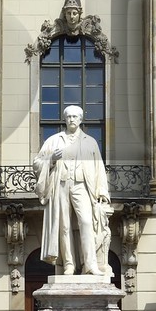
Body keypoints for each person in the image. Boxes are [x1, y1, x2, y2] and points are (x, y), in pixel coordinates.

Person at [33, 104, 110, 275]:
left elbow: (99, 168)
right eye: (68, 117)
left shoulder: (90, 142)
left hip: (82, 185)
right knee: (64, 226)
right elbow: (37, 163)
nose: (71, 119)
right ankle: (69, 264)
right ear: (65, 119)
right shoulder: (54, 140)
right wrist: (51, 158)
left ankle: (90, 264)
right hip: (61, 184)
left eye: (75, 116)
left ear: (81, 120)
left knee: (87, 222)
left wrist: (103, 192)